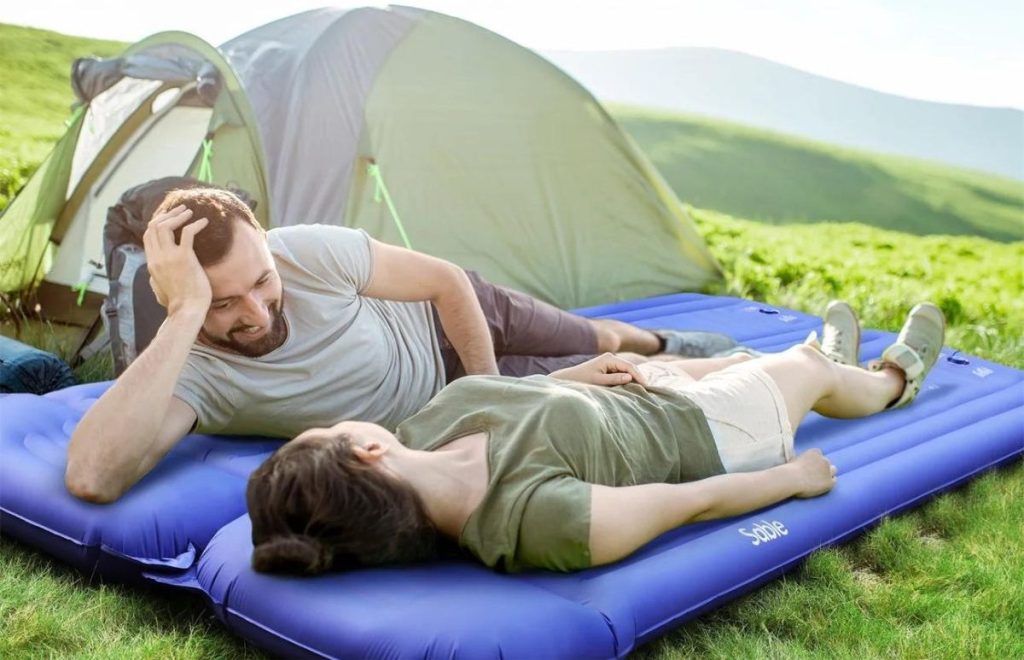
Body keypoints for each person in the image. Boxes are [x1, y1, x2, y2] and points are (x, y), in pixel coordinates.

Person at [65, 187, 737, 503]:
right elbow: (93, 478)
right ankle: (692, 362)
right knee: (614, 377)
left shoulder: (307, 252)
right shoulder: (198, 372)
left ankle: (663, 336)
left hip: (458, 319)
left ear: (269, 245)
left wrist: (492, 393)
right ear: (180, 294)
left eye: (262, 281)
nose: (256, 310)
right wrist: (184, 318)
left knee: (596, 336)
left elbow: (444, 282)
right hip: (445, 401)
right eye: (221, 303)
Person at [246, 301, 946, 574]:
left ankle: (825, 365)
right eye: (335, 429)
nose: (351, 423)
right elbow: (691, 503)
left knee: (736, 360)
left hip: (634, 394)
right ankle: (889, 378)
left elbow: (522, 398)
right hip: (712, 434)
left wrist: (579, 372)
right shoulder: (540, 522)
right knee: (802, 368)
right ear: (365, 453)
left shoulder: (422, 431)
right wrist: (790, 480)